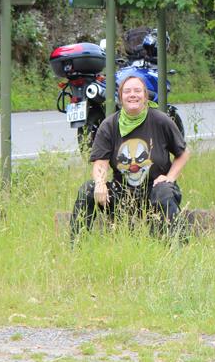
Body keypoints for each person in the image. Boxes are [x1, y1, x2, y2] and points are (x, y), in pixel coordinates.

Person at [70, 75, 190, 240]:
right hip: (123, 194)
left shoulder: (160, 120)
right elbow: (100, 163)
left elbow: (183, 153)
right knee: (88, 189)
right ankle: (76, 245)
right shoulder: (109, 125)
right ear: (121, 97)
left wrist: (169, 178)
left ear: (145, 96)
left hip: (155, 190)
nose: (132, 94)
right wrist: (100, 183)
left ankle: (179, 245)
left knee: (164, 192)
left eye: (137, 91)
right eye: (127, 91)